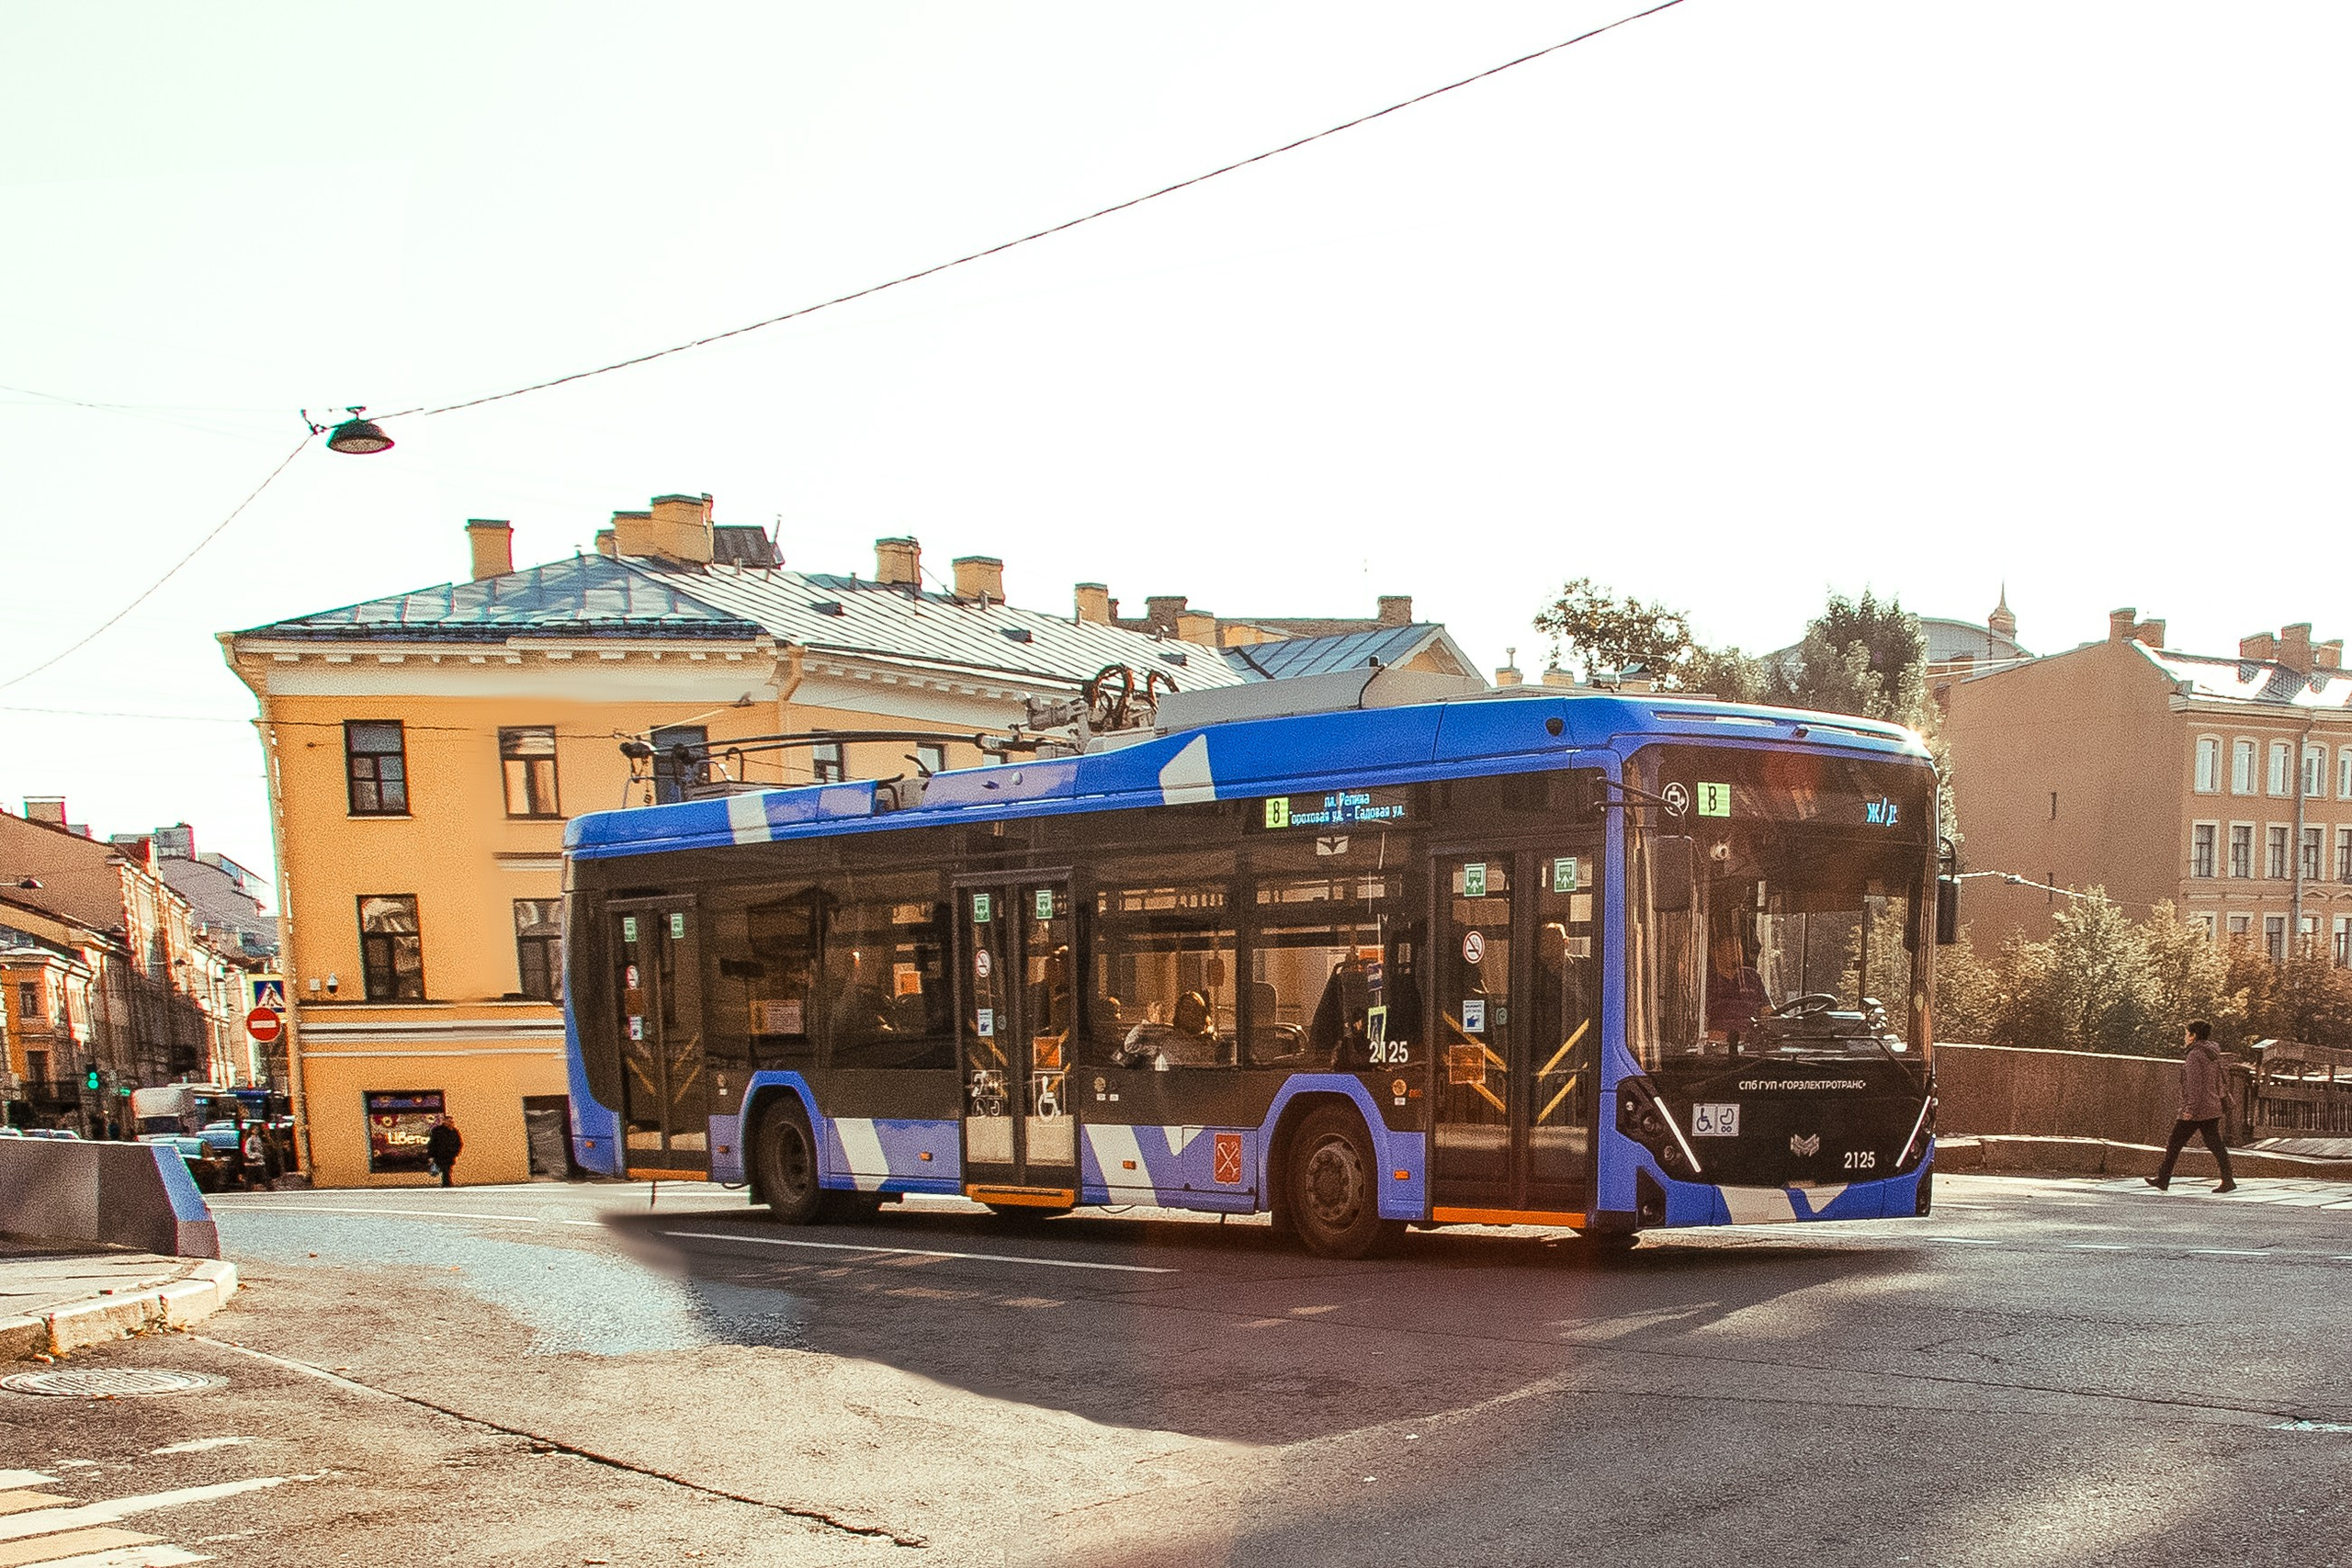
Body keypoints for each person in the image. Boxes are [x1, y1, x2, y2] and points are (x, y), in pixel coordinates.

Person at [2145, 1020, 2237, 1193]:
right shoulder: (2212, 1053)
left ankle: (2163, 1180)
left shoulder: (2195, 1055)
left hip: (2198, 1110)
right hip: (2213, 1106)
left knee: (2174, 1143)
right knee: (2215, 1145)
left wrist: (2190, 1109)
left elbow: (2195, 1086)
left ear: (2194, 1036)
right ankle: (2228, 1180)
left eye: (2187, 1034)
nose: (2185, 1038)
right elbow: (2218, 1081)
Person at [1704, 932, 1770, 1042]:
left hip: (1753, 1043)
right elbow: (1703, 1029)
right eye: (1731, 948)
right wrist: (1731, 1038)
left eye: (1739, 948)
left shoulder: (1752, 976)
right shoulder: (1706, 982)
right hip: (1722, 1045)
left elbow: (1767, 1011)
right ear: (1714, 952)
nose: (1737, 952)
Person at [425, 1116, 463, 1188]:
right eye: (450, 1122)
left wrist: (455, 1152)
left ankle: (446, 1182)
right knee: (445, 1169)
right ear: (444, 1122)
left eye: (452, 1122)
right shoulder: (437, 1131)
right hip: (440, 1154)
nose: (451, 1123)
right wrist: (431, 1154)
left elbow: (458, 1142)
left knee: (447, 1169)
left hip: (450, 1154)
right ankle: (446, 1183)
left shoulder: (454, 1131)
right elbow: (432, 1143)